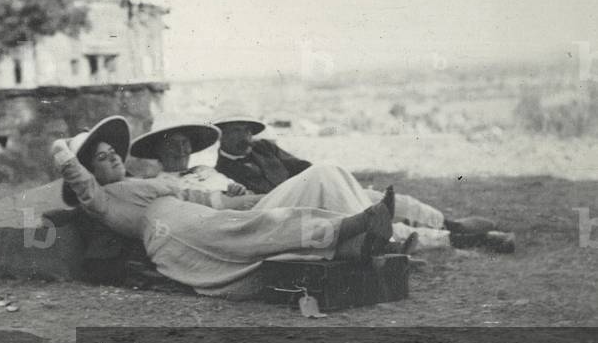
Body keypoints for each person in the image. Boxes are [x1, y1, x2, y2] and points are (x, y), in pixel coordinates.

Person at [50, 115, 399, 297]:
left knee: (260, 219)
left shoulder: (142, 183)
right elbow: (80, 182)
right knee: (249, 232)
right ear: (90, 170)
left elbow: (198, 196)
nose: (111, 158)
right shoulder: (102, 201)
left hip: (193, 216)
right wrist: (62, 152)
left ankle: (357, 239)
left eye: (113, 153)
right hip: (168, 233)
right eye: (101, 157)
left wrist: (248, 199)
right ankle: (348, 229)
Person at [213, 116, 514, 252]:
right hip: (303, 212)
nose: (245, 137)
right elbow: (263, 208)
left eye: (247, 129)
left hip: (319, 191)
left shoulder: (265, 148)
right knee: (367, 215)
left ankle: (450, 224)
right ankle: (460, 240)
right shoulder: (222, 172)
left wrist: (342, 185)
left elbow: (304, 168)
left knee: (375, 196)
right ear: (221, 135)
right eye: (237, 130)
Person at [128, 121, 247, 194]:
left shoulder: (204, 170)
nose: (181, 151)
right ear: (159, 150)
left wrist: (236, 190)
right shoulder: (159, 185)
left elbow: (234, 188)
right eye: (172, 145)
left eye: (185, 143)